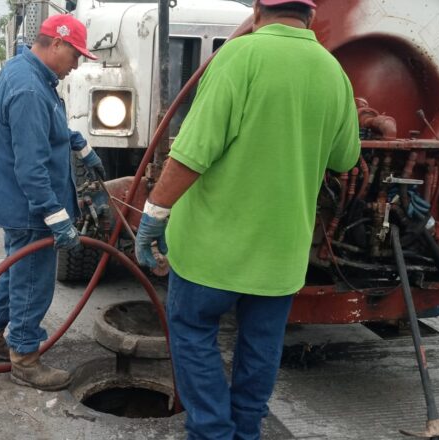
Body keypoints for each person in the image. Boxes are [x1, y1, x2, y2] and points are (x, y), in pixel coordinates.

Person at [134, 0, 360, 438]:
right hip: (280, 257)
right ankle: (246, 431)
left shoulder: (240, 56)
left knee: (194, 332)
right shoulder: (333, 72)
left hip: (210, 254)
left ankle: (211, 431)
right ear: (310, 16)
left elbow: (192, 152)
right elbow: (344, 156)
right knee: (260, 348)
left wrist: (154, 216)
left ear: (258, 10)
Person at [0, 14, 105, 391]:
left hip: (18, 206)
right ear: (57, 44)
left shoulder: (24, 73)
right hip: (30, 208)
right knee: (33, 283)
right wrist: (56, 216)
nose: (76, 65)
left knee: (18, 274)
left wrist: (74, 139)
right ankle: (26, 359)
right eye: (75, 55)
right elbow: (31, 167)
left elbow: (39, 129)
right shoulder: (30, 89)